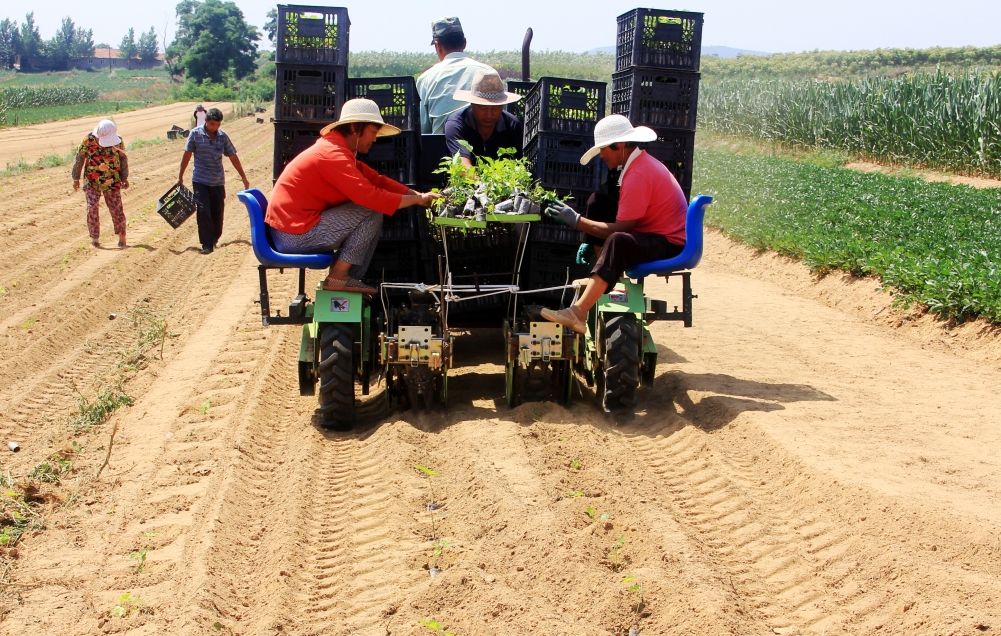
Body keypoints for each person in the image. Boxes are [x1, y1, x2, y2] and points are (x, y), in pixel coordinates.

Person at [266, 99, 442, 295]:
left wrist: (418, 195)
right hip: (293, 235)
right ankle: (339, 278)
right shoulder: (331, 155)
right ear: (354, 127)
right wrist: (418, 200)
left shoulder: (337, 150)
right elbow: (372, 198)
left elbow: (377, 180)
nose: (375, 139)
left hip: (295, 228)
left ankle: (348, 281)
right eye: (373, 132)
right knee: (371, 210)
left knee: (373, 210)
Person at [540, 115, 689, 334]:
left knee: (618, 241)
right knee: (597, 202)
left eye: (603, 150)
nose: (601, 155)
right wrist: (588, 237)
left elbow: (622, 229)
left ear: (618, 145)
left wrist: (577, 221)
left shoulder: (638, 173)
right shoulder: (639, 164)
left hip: (668, 242)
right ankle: (603, 279)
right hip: (653, 232)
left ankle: (579, 312)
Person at [177, 108, 250, 255]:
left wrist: (243, 176)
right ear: (206, 121)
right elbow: (187, 155)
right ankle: (207, 243)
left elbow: (233, 156)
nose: (215, 127)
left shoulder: (223, 136)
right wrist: (180, 176)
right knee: (203, 210)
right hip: (200, 179)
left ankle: (215, 238)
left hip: (217, 181)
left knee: (217, 211)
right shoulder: (195, 134)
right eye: (212, 124)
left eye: (217, 124)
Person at [416, 16, 496, 134]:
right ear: (464, 43)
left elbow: (423, 129)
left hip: (442, 149)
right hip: (484, 150)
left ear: (437, 45)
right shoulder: (489, 73)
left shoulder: (426, 78)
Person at [444, 69, 524, 167]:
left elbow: (516, 165)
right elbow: (463, 166)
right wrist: (483, 182)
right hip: (467, 182)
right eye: (482, 107)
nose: (489, 114)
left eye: (495, 108)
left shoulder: (512, 125)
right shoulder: (456, 124)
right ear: (472, 104)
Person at [72, 119, 129, 249]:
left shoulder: (118, 141)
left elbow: (122, 157)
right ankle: (95, 239)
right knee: (92, 208)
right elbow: (79, 158)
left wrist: (124, 177)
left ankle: (122, 237)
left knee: (116, 208)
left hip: (112, 180)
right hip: (92, 180)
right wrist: (76, 178)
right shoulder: (88, 140)